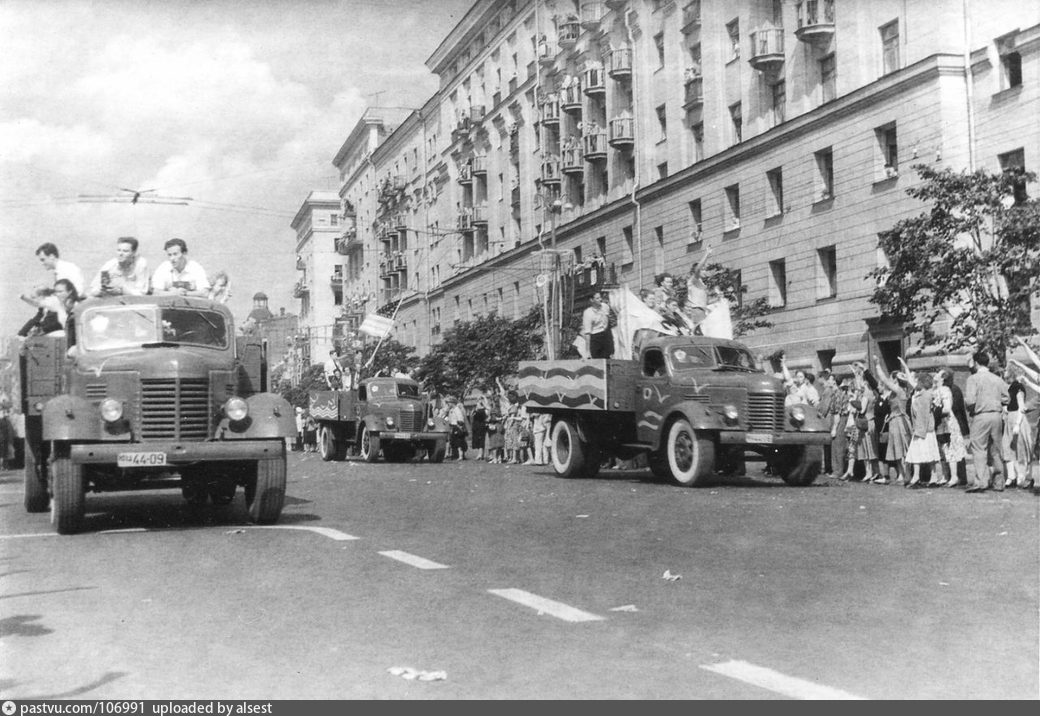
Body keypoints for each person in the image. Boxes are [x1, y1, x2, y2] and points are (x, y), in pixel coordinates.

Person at [964, 350, 1009, 493]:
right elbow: (1006, 398)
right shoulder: (997, 378)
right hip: (996, 415)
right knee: (996, 449)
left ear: (976, 363)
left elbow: (970, 401)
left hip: (981, 415)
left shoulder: (973, 379)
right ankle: (999, 481)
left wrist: (972, 405)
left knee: (979, 448)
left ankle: (981, 481)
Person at [904, 372, 942, 488]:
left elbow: (923, 415)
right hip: (924, 429)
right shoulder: (923, 393)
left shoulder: (925, 395)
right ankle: (932, 477)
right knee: (927, 453)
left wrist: (919, 430)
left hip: (923, 429)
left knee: (917, 453)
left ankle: (917, 477)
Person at [581, 291, 614, 359]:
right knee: (597, 361)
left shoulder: (605, 307)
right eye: (597, 298)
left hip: (606, 336)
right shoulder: (588, 313)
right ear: (591, 300)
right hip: (595, 338)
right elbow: (587, 333)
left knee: (608, 359)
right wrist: (587, 351)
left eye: (600, 297)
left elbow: (609, 320)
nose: (600, 299)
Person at [447, 396, 469, 461]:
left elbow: (460, 419)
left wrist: (459, 428)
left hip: (457, 427)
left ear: (452, 403)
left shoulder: (457, 410)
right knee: (453, 442)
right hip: (452, 427)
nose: (448, 404)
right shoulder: (451, 410)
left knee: (459, 442)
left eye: (449, 402)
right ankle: (454, 455)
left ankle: (461, 456)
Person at [470, 396, 488, 461]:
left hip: (481, 426)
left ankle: (480, 454)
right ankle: (480, 454)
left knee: (481, 440)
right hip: (476, 426)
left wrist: (484, 400)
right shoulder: (475, 410)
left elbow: (485, 416)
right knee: (477, 440)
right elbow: (471, 417)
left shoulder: (484, 410)